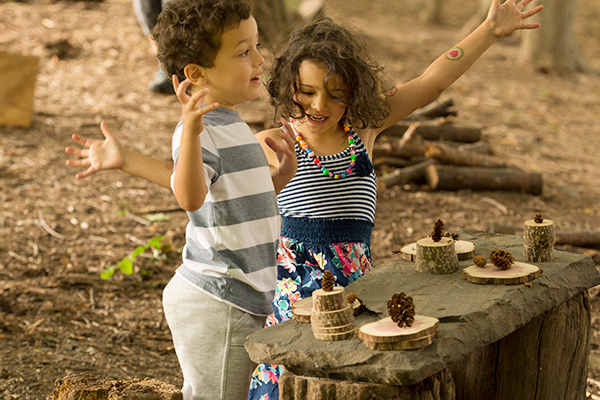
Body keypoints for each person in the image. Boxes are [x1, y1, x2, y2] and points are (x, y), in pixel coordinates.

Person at [66, 0, 543, 398]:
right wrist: (126, 159)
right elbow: (196, 185)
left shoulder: (364, 130)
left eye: (335, 95)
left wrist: (488, 30)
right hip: (284, 296)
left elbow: (432, 80)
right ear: (286, 88)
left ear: (354, 93)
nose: (319, 106)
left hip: (355, 289)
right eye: (306, 92)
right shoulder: (272, 140)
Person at [68, 0, 297, 398]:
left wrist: (276, 180)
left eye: (257, 46)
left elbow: (228, 200)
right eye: (244, 52)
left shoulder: (228, 121)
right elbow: (191, 197)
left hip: (240, 294)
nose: (260, 59)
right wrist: (189, 131)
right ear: (196, 74)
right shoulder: (199, 128)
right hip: (218, 298)